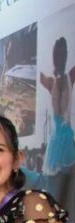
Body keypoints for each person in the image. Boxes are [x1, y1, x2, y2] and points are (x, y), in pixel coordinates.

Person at [40, 37, 75, 175]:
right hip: (64, 139)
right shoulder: (69, 77)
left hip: (56, 142)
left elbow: (39, 76)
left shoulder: (52, 82)